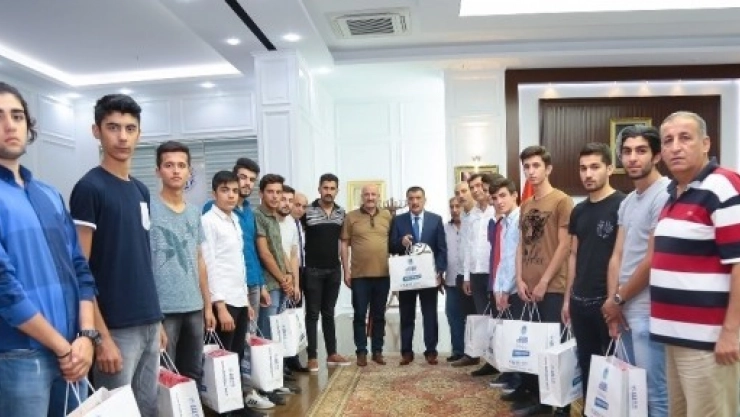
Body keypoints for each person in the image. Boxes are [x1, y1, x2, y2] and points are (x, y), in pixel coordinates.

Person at [0, 82, 96, 417]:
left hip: (74, 350)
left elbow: (80, 267)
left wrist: (87, 337)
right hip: (18, 355)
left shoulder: (49, 194)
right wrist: (63, 347)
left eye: (17, 116)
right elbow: (4, 289)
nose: (10, 125)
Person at [70, 94, 164, 417]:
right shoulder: (89, 188)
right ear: (96, 131)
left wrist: (157, 320)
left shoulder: (141, 190)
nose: (122, 136)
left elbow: (142, 258)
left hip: (149, 320)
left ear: (139, 133)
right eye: (113, 127)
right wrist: (101, 337)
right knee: (117, 412)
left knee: (148, 408)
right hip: (114, 327)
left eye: (130, 128)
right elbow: (79, 268)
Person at [651, 112, 740, 416]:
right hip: (674, 337)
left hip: (708, 341)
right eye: (668, 140)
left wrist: (731, 332)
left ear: (705, 144)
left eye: (685, 138)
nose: (675, 147)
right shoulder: (673, 193)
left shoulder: (723, 186)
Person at [602, 125, 669, 417]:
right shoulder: (628, 201)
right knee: (632, 391)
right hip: (624, 309)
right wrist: (612, 302)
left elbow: (652, 259)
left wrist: (618, 299)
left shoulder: (665, 194)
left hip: (647, 310)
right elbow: (617, 255)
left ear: (656, 156)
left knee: (656, 394)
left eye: (641, 151)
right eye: (627, 151)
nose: (632, 157)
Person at [509, 145, 573, 416]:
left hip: (553, 287)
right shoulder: (525, 204)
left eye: (536, 166)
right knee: (534, 348)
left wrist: (545, 281)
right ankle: (541, 401)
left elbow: (564, 245)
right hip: (528, 286)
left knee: (554, 350)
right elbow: (521, 244)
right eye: (526, 167)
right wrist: (519, 278)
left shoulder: (562, 200)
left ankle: (562, 407)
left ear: (548, 168)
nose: (531, 171)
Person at [562, 143, 624, 401]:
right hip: (580, 301)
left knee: (613, 370)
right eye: (583, 168)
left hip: (607, 303)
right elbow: (573, 255)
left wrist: (615, 301)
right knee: (587, 365)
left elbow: (622, 257)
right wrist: (568, 299)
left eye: (595, 167)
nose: (588, 174)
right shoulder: (578, 211)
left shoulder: (623, 204)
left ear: (609, 168)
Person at [150, 141, 216, 383]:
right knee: (166, 377)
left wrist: (208, 306)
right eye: (169, 165)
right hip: (163, 309)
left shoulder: (194, 212)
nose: (176, 171)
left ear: (189, 171)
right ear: (158, 171)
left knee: (193, 373)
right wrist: (152, 316)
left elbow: (199, 259)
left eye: (181, 165)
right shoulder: (148, 209)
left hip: (194, 307)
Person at [204, 158, 270, 328]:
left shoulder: (247, 210)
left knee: (250, 336)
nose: (247, 183)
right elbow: (208, 260)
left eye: (252, 179)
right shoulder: (212, 211)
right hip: (226, 290)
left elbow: (252, 250)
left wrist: (261, 284)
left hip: (250, 283)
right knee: (231, 340)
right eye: (243, 177)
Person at [389, 186, 447, 365]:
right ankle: (406, 352)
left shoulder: (435, 220)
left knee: (430, 314)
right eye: (411, 198)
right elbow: (391, 246)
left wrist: (439, 271)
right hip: (407, 277)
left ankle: (431, 351)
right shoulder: (398, 220)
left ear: (424, 200)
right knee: (406, 315)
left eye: (418, 198)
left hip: (429, 277)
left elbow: (441, 248)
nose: (414, 202)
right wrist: (401, 242)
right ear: (407, 200)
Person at [201, 171, 253, 370]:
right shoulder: (208, 221)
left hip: (239, 298)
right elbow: (209, 264)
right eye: (225, 190)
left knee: (237, 354)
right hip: (223, 300)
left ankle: (237, 389)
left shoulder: (235, 221)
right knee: (223, 359)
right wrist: (220, 306)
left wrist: (246, 301)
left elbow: (238, 263)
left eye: (234, 191)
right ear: (214, 194)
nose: (231, 195)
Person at [302, 174, 352, 371]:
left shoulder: (341, 213)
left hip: (333, 270)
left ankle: (332, 353)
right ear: (319, 189)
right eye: (325, 188)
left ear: (337, 191)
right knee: (312, 314)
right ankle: (312, 356)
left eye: (332, 188)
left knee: (329, 313)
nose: (328, 192)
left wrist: (346, 270)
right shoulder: (308, 211)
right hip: (312, 270)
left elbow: (344, 244)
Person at [340, 184, 393, 367]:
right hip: (359, 276)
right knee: (359, 314)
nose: (370, 198)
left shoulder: (387, 216)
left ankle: (377, 351)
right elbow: (344, 244)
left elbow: (393, 242)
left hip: (383, 275)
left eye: (373, 194)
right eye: (366, 194)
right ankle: (361, 351)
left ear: (378, 196)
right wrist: (346, 270)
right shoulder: (351, 217)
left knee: (379, 315)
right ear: (361, 197)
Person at [462, 173, 503, 377]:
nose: (476, 190)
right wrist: (467, 276)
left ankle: (503, 363)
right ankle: (489, 361)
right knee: (484, 318)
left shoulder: (498, 211)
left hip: (494, 273)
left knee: (499, 318)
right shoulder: (471, 215)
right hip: (476, 272)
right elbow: (468, 246)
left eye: (479, 186)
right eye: (472, 187)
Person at [487, 177, 523, 393]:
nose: (499, 201)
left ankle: (519, 381)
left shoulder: (521, 219)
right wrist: (498, 289)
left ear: (514, 195)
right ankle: (511, 376)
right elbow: (502, 259)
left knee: (518, 336)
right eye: (494, 198)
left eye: (503, 196)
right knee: (507, 334)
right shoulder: (504, 222)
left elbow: (517, 259)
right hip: (505, 288)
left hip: (517, 288)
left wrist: (507, 289)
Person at [451, 180, 480, 367]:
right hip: (462, 273)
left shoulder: (480, 213)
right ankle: (471, 353)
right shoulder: (464, 215)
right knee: (467, 316)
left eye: (464, 191)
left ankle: (479, 354)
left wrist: (468, 276)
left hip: (475, 273)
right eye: (457, 192)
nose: (460, 195)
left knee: (478, 316)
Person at [443, 196, 465, 363]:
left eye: (458, 206)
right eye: (452, 207)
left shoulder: (471, 225)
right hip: (450, 279)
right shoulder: (444, 228)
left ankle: (472, 352)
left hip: (470, 280)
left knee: (471, 317)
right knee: (453, 315)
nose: (455, 210)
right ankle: (458, 350)